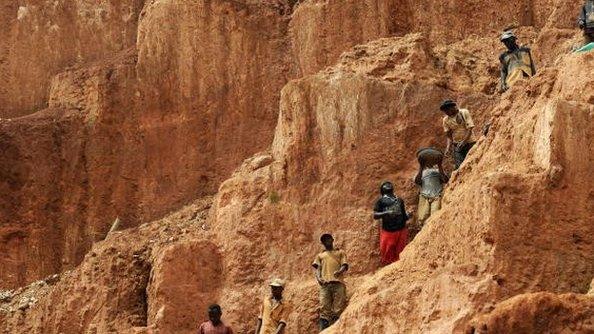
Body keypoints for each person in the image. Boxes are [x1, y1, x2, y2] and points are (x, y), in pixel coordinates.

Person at [312, 234, 349, 330]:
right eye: (324, 240)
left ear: (332, 240)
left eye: (328, 239)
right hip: (325, 284)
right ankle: (324, 330)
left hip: (338, 283)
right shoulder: (320, 255)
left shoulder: (340, 252)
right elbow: (317, 269)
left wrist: (339, 271)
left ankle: (337, 330)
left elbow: (344, 265)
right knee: (324, 307)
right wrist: (319, 278)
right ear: (322, 243)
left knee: (339, 308)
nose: (327, 241)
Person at [373, 181, 411, 265]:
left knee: (400, 253)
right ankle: (388, 270)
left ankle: (398, 269)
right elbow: (375, 215)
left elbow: (404, 215)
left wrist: (408, 216)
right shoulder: (381, 201)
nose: (388, 186)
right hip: (388, 231)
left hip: (401, 230)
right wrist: (386, 213)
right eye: (386, 186)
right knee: (387, 252)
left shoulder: (399, 200)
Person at [415, 149, 449, 227]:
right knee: (422, 218)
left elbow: (445, 180)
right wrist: (421, 167)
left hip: (436, 196)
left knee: (435, 218)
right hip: (424, 197)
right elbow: (417, 181)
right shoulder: (422, 173)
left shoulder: (438, 171)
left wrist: (440, 165)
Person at [441, 100, 476, 169]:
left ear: (452, 107)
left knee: (473, 163)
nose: (446, 112)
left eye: (447, 110)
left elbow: (470, 128)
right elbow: (448, 135)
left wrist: (464, 141)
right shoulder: (445, 120)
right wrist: (448, 148)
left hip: (470, 143)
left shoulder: (463, 112)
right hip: (457, 145)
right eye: (445, 111)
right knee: (460, 167)